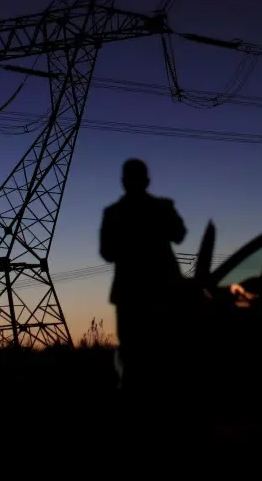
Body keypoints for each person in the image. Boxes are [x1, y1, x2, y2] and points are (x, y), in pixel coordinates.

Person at [99, 158, 187, 394]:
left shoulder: (113, 213)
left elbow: (106, 253)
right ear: (147, 181)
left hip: (130, 296)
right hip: (163, 293)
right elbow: (179, 234)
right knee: (166, 353)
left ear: (123, 182)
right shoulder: (162, 208)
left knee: (133, 358)